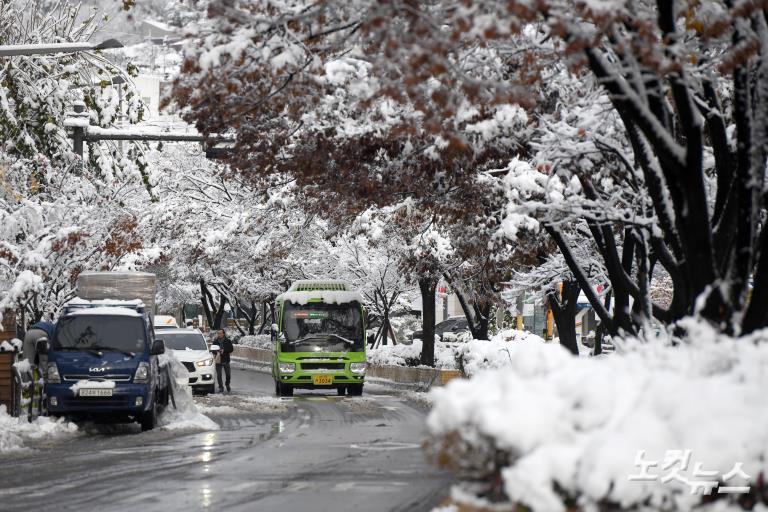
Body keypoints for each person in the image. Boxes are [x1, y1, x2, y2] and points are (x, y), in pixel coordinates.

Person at [213, 329, 234, 393]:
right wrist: (216, 351)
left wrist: (224, 350)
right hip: (218, 360)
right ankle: (221, 387)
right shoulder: (215, 341)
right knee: (219, 375)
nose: (219, 334)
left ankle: (227, 384)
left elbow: (231, 349)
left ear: (223, 334)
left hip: (226, 360)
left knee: (228, 375)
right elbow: (212, 349)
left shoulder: (228, 341)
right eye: (218, 333)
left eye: (220, 333)